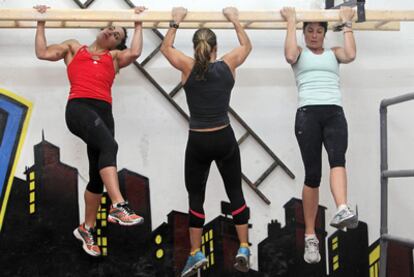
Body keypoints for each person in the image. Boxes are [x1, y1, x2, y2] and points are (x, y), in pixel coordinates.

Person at [34, 4, 146, 257]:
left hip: (104, 115)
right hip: (79, 108)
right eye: (110, 28)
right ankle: (119, 205)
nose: (110, 33)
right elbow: (42, 52)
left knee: (97, 176)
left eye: (116, 35)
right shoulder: (74, 48)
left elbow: (136, 51)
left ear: (117, 45)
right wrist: (40, 22)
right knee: (110, 147)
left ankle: (87, 228)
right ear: (101, 29)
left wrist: (139, 23)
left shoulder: (115, 59)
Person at [160, 6, 252, 276]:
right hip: (224, 137)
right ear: (215, 47)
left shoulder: (187, 66)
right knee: (235, 192)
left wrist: (175, 21)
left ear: (195, 47)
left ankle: (195, 253)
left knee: (196, 197)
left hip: (198, 141)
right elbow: (247, 45)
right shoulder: (228, 64)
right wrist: (235, 19)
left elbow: (166, 48)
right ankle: (244, 246)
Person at [280, 6, 359, 264]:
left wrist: (347, 23)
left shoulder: (334, 54)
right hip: (308, 115)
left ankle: (342, 208)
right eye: (310, 31)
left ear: (325, 34)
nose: (314, 35)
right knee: (313, 174)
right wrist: (291, 21)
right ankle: (310, 236)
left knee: (338, 159)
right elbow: (289, 54)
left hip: (334, 112)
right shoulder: (300, 52)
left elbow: (351, 54)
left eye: (319, 31)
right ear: (304, 34)